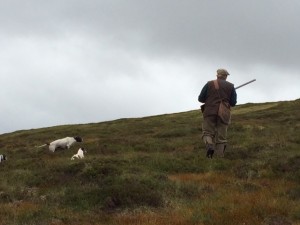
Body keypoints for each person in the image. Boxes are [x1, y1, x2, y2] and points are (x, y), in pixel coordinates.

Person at [198, 69, 237, 158]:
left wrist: (210, 98)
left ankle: (210, 146)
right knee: (221, 137)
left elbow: (200, 99)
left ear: (217, 75)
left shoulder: (209, 84)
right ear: (226, 76)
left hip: (209, 112)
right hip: (224, 114)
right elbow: (233, 103)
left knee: (207, 133)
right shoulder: (231, 86)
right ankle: (219, 158)